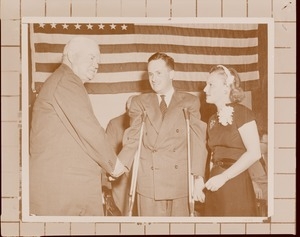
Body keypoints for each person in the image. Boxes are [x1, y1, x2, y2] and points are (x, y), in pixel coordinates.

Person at [29, 36, 125, 216]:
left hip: (64, 190)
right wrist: (115, 165)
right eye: (91, 57)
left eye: (98, 61)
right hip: (64, 193)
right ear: (71, 56)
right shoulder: (67, 80)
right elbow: (89, 129)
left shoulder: (61, 81)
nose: (97, 64)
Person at [117, 52, 208, 216]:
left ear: (172, 74)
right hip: (149, 183)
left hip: (180, 182)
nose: (153, 79)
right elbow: (133, 138)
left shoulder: (190, 102)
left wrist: (198, 177)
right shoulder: (139, 103)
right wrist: (120, 165)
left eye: (158, 73)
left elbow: (197, 141)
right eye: (151, 74)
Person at [203, 65, 261, 216]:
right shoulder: (211, 120)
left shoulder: (243, 113)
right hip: (214, 183)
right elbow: (213, 155)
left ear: (226, 87)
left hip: (234, 181)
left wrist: (224, 176)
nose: (205, 89)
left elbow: (254, 153)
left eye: (210, 85)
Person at [104, 95, 137, 216]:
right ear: (126, 108)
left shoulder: (148, 123)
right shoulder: (115, 124)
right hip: (122, 181)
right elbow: (108, 155)